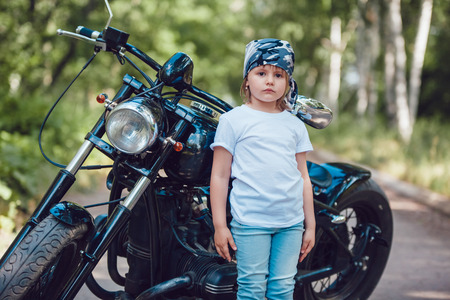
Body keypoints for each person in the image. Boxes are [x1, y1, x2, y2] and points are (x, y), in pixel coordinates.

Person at [210, 38, 316, 300]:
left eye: (278, 74)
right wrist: (219, 226)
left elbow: (303, 177)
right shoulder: (233, 121)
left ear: (288, 82)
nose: (270, 81)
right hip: (251, 223)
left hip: (290, 223)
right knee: (251, 290)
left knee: (283, 289)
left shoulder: (294, 125)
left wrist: (309, 225)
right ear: (247, 80)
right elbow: (220, 176)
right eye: (261, 73)